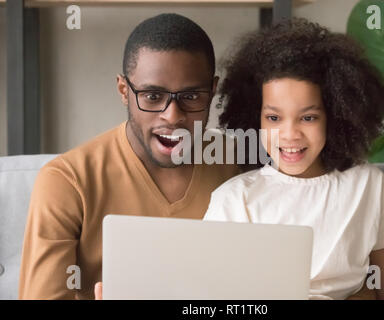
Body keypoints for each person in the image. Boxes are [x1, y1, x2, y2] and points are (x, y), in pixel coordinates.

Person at [19, 13, 240, 300]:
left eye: (190, 96)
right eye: (152, 96)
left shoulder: (238, 163)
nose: (172, 116)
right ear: (124, 91)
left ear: (212, 91)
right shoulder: (66, 181)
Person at [203, 18, 384, 300]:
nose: (290, 134)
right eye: (274, 118)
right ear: (255, 118)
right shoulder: (233, 199)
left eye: (308, 117)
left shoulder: (367, 185)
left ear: (336, 116)